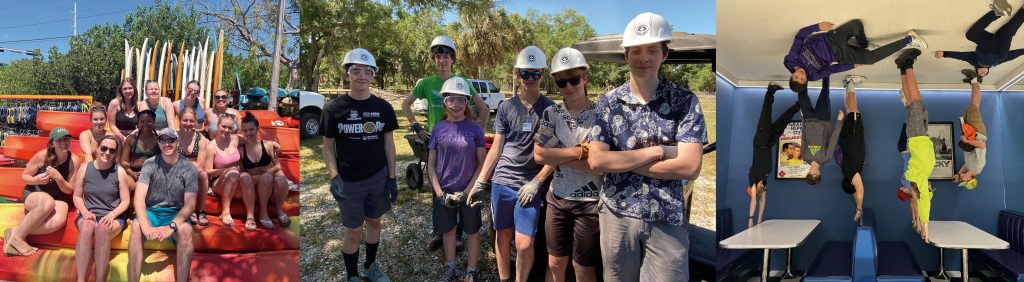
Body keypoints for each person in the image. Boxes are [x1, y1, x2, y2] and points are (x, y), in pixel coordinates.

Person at [585, 12, 707, 281]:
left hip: (666, 213)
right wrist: (660, 151)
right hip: (617, 211)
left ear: (664, 55)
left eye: (653, 50)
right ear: (626, 55)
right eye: (637, 51)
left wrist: (621, 159)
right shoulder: (609, 103)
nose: (644, 58)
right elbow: (597, 161)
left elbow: (689, 166)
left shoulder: (685, 101)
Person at [468, 45, 555, 282]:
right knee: (503, 235)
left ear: (542, 75)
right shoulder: (506, 107)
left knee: (525, 243)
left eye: (535, 73)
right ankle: (505, 278)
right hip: (503, 181)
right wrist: (480, 181)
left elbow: (555, 154)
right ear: (517, 75)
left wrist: (538, 182)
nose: (530, 79)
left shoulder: (551, 109)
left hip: (530, 185)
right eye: (525, 73)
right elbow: (497, 147)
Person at [400, 35, 489, 249]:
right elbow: (405, 104)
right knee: (438, 186)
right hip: (437, 141)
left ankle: (457, 234)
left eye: (446, 56)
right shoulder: (426, 83)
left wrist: (478, 130)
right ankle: (440, 232)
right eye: (437, 56)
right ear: (433, 59)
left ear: (452, 59)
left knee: (461, 183)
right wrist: (414, 124)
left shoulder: (463, 82)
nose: (441, 60)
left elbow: (484, 109)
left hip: (461, 142)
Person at [321, 48, 398, 282]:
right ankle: (352, 275)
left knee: (375, 221)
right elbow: (327, 147)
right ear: (347, 75)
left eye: (368, 71)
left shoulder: (383, 108)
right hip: (349, 180)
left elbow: (389, 144)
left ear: (373, 75)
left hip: (377, 176)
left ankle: (370, 266)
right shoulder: (333, 109)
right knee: (353, 230)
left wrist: (392, 178)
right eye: (356, 71)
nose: (362, 76)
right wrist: (335, 177)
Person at [532, 47, 605, 282]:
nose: (569, 86)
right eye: (562, 82)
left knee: (582, 267)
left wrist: (559, 155)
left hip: (590, 203)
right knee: (554, 262)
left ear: (585, 77)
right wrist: (579, 152)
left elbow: (600, 165)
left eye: (574, 79)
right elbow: (540, 156)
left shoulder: (602, 114)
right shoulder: (551, 114)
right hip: (557, 199)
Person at [427, 77, 486, 282]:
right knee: (449, 230)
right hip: (444, 192)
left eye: (462, 100)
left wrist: (468, 191)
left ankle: (471, 271)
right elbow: (431, 165)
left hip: (468, 192)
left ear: (467, 102)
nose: (457, 105)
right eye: (451, 100)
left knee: (472, 231)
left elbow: (482, 163)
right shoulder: (438, 129)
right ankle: (450, 268)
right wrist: (439, 193)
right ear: (444, 102)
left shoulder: (475, 129)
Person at [128, 128, 197, 282]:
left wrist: (171, 227)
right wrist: (146, 226)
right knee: (136, 226)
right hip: (152, 211)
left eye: (171, 140)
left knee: (185, 230)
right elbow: (138, 200)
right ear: (158, 143)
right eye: (163, 140)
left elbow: (190, 205)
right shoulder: (150, 164)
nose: (167, 144)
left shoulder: (189, 168)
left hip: (175, 212)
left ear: (177, 141)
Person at [785, 19, 927, 94]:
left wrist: (817, 27)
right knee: (870, 59)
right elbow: (832, 70)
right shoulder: (813, 76)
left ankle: (864, 44)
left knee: (856, 25)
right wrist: (851, 65)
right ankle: (909, 40)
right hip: (839, 55)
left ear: (792, 75)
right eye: (802, 79)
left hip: (830, 39)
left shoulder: (792, 58)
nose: (800, 74)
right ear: (806, 81)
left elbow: (800, 36)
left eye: (796, 76)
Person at [4, 128, 80, 256]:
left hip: (59, 197)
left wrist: (59, 178)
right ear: (52, 143)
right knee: (47, 203)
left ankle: (15, 232)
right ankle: (17, 239)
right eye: (59, 140)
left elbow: (70, 189)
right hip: (34, 192)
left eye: (66, 139)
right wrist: (35, 179)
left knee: (57, 222)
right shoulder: (42, 156)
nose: (63, 142)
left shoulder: (74, 160)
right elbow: (25, 175)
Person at [72, 135, 130, 282]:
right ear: (97, 149)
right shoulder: (85, 169)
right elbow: (77, 196)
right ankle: (80, 279)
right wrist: (84, 211)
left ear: (116, 153)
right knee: (86, 227)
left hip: (113, 216)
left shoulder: (119, 172)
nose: (107, 152)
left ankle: (100, 279)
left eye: (112, 150)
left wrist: (112, 214)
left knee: (101, 229)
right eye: (104, 148)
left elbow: (125, 201)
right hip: (88, 214)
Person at [894, 48, 936, 241]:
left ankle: (908, 63)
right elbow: (922, 201)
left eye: (928, 190)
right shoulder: (917, 176)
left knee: (916, 100)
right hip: (920, 136)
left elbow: (923, 205)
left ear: (920, 189)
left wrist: (924, 228)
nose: (930, 187)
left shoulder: (919, 177)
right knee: (911, 102)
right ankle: (902, 67)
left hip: (917, 136)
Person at [747, 82, 800, 228]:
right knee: (783, 123)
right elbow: (763, 202)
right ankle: (798, 105)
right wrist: (760, 220)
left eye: (758, 189)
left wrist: (751, 219)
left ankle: (770, 90)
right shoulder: (764, 181)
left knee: (765, 115)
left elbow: (754, 201)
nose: (760, 188)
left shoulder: (753, 178)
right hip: (769, 143)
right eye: (761, 189)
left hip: (760, 141)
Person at [936, 0, 1023, 81]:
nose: (982, 73)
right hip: (1000, 52)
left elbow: (960, 56)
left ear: (976, 69)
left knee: (970, 35)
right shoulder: (994, 64)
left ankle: (997, 12)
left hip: (986, 45)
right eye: (985, 74)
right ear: (988, 71)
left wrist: (944, 54)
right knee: (1007, 32)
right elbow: (1011, 56)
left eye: (980, 73)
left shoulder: (974, 60)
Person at [238, 111, 291, 229]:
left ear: (258, 129)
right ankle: (263, 212)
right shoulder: (241, 150)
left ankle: (279, 211)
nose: (248, 133)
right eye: (245, 130)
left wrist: (267, 174)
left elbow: (277, 165)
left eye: (251, 129)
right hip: (254, 180)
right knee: (265, 178)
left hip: (269, 176)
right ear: (242, 132)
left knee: (280, 178)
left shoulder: (268, 145)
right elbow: (243, 171)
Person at [204, 114, 250, 229]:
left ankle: (251, 216)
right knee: (233, 173)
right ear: (218, 125)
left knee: (247, 177)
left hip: (237, 180)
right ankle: (225, 211)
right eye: (224, 126)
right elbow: (208, 171)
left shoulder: (235, 139)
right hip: (220, 182)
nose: (227, 130)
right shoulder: (211, 146)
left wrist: (270, 143)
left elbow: (252, 138)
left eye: (230, 127)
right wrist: (227, 170)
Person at [797, 75, 842, 185]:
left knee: (801, 94)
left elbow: (803, 137)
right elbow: (833, 140)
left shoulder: (804, 156)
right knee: (825, 92)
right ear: (820, 174)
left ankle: (804, 71)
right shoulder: (826, 158)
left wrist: (802, 118)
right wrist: (839, 122)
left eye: (811, 174)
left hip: (808, 119)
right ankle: (826, 69)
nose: (814, 172)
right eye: (816, 175)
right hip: (823, 119)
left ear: (808, 172)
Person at [837, 75, 867, 223]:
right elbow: (855, 193)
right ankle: (846, 86)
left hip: (853, 136)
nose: (858, 185)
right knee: (850, 110)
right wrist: (857, 204)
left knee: (853, 108)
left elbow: (860, 192)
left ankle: (851, 82)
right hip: (848, 138)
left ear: (852, 183)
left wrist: (859, 209)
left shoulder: (852, 173)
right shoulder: (848, 173)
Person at [953, 70, 988, 189]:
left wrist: (958, 173)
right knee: (973, 107)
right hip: (977, 132)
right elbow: (982, 146)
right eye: (963, 181)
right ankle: (974, 79)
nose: (961, 180)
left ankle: (977, 83)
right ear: (969, 179)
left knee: (974, 107)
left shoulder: (971, 168)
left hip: (971, 133)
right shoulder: (978, 167)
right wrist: (967, 141)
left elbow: (966, 166)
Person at [177, 108, 211, 226]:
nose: (188, 124)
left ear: (195, 121)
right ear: (179, 120)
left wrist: (185, 164)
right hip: (176, 170)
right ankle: (189, 209)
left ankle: (201, 210)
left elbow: (200, 164)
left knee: (202, 174)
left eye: (191, 121)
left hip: (194, 169)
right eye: (185, 120)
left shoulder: (200, 138)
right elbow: (170, 160)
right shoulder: (174, 136)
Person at [120, 110, 160, 186]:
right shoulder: (131, 139)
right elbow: (124, 161)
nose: (145, 124)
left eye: (149, 121)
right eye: (142, 121)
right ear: (138, 124)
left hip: (153, 174)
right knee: (126, 184)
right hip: (133, 172)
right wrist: (131, 173)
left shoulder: (159, 141)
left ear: (154, 123)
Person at [107, 78, 139, 143]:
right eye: (124, 89)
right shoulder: (115, 103)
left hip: (133, 135)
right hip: (118, 135)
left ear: (134, 89)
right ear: (121, 91)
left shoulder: (139, 105)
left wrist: (130, 137)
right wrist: (122, 138)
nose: (128, 91)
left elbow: (140, 126)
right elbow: (112, 125)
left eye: (130, 88)